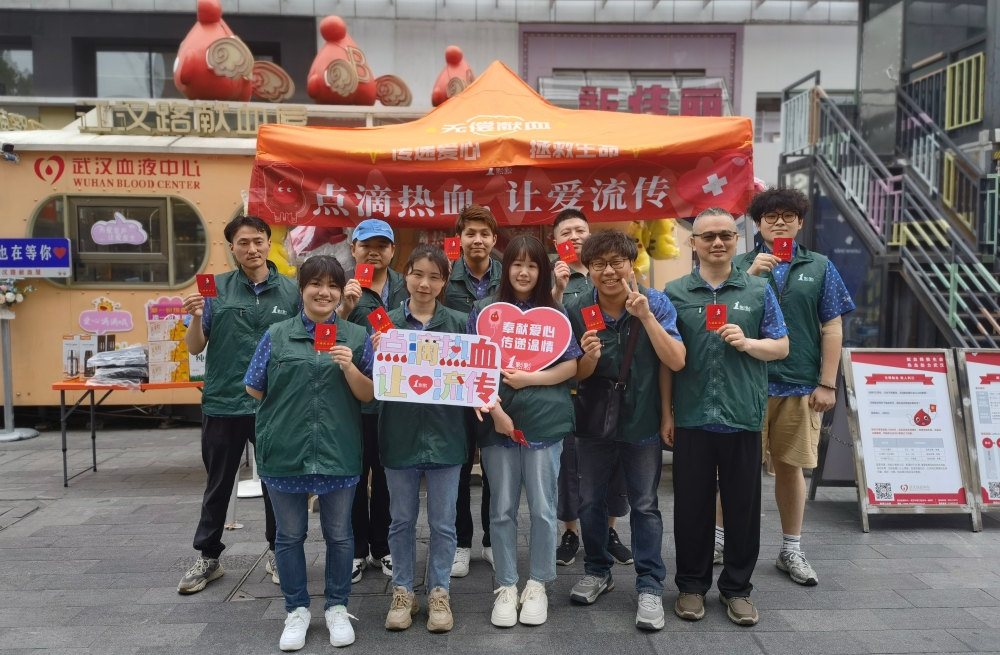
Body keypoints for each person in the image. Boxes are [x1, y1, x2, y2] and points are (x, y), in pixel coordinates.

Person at [722, 187, 854, 586]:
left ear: (799, 221)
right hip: (743, 383)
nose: (779, 222)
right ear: (757, 224)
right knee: (730, 469)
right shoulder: (735, 263)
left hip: (797, 384)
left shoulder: (820, 266)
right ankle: (718, 542)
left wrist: (827, 383)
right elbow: (717, 316)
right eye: (770, 216)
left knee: (790, 468)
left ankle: (791, 549)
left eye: (788, 215)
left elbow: (832, 325)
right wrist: (750, 276)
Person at [664, 207, 789, 627]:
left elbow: (782, 346)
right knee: (691, 508)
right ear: (693, 244)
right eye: (708, 237)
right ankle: (692, 586)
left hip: (741, 414)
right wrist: (666, 412)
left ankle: (737, 590)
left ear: (737, 241)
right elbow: (666, 359)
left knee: (742, 508)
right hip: (693, 415)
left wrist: (750, 343)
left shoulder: (757, 290)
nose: (717, 242)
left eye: (726, 235)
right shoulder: (674, 292)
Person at [244, 256, 375, 650]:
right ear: (301, 289)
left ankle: (336, 607)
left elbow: (369, 395)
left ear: (341, 292)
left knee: (339, 535)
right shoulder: (277, 333)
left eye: (333, 286)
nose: (325, 292)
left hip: (338, 449)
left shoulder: (355, 335)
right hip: (286, 450)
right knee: (289, 536)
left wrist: (350, 368)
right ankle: (296, 611)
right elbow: (254, 386)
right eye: (315, 284)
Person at [565, 229, 686, 631]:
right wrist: (587, 358)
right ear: (589, 269)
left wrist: (646, 317)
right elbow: (572, 376)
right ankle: (598, 570)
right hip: (594, 420)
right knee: (589, 501)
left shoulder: (656, 302)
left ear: (631, 263)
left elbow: (677, 359)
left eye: (617, 262)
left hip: (642, 420)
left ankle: (650, 585)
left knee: (645, 504)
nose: (608, 271)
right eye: (598, 264)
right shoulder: (577, 306)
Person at [177, 214, 299, 595]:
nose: (252, 249)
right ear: (231, 248)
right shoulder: (214, 290)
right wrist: (196, 317)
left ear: (268, 243)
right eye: (243, 242)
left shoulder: (292, 291)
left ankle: (279, 551)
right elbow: (195, 346)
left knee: (276, 483)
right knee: (218, 484)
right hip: (223, 402)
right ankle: (208, 557)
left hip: (273, 405)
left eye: (259, 241)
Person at [469, 235, 582, 628]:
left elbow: (572, 366)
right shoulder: (484, 311)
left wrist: (530, 379)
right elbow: (473, 370)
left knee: (543, 508)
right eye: (516, 264)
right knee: (500, 509)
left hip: (545, 422)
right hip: (496, 422)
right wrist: (497, 411)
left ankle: (537, 583)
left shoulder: (556, 312)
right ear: (506, 269)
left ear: (543, 270)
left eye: (532, 265)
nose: (523, 271)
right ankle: (505, 585)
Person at [376, 246, 469, 633]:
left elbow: (475, 378)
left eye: (434, 276)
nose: (424, 283)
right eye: (417, 274)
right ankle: (402, 591)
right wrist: (375, 354)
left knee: (445, 523)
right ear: (406, 275)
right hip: (399, 434)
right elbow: (368, 381)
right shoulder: (383, 324)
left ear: (445, 281)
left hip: (447, 434)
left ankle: (439, 592)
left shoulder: (461, 323)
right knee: (401, 520)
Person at [551, 210, 633, 568]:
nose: (574, 236)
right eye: (566, 232)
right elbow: (547, 329)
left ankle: (609, 529)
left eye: (580, 230)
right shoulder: (557, 277)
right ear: (557, 242)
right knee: (569, 466)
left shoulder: (614, 273)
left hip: (616, 392)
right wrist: (556, 289)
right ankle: (570, 531)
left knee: (614, 466)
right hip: (573, 391)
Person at [336, 219, 409, 583]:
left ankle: (383, 548)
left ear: (393, 251)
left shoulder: (406, 285)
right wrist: (345, 310)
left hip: (395, 401)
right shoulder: (341, 288)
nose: (374, 251)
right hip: (353, 400)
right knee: (353, 474)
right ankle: (355, 550)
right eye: (366, 245)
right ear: (354, 250)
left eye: (382, 245)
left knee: (387, 477)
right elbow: (322, 337)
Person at [443, 204, 501, 577]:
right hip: (456, 385)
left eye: (484, 234)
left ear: (494, 239)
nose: (477, 240)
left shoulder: (507, 278)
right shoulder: (446, 280)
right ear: (459, 239)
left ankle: (493, 540)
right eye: (470, 233)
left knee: (497, 467)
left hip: (499, 385)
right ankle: (461, 543)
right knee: (459, 467)